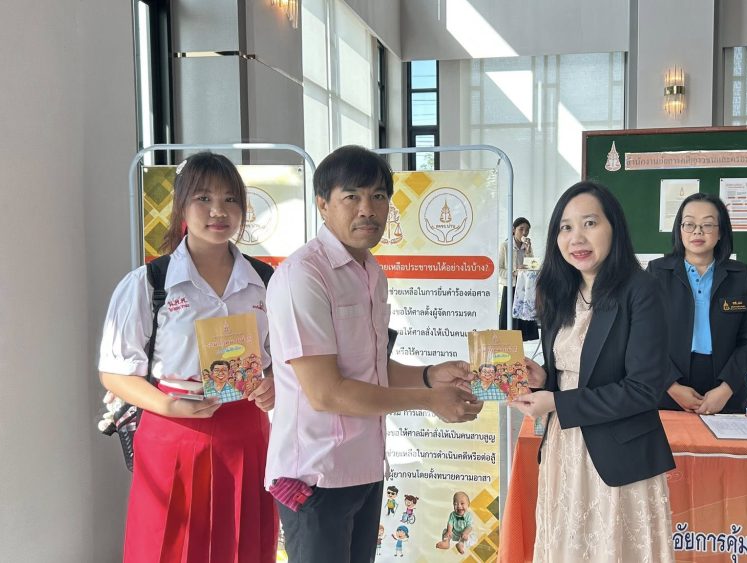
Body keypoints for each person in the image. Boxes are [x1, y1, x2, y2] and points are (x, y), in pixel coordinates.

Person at [265, 145, 483, 562]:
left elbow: (372, 367)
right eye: (352, 196)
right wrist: (428, 399)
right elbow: (326, 392)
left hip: (364, 466)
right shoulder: (303, 276)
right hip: (316, 475)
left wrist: (429, 375)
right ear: (323, 204)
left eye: (378, 196)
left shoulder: (371, 272)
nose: (368, 209)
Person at [97, 152, 278, 562]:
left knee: (245, 545)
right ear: (181, 205)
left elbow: (283, 359)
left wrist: (273, 384)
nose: (218, 211)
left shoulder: (266, 281)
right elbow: (114, 372)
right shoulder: (149, 283)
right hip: (172, 430)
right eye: (203, 198)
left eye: (230, 199)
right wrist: (168, 406)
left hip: (247, 432)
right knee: (168, 547)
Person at [511, 181, 676, 562]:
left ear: (613, 227)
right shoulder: (559, 290)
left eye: (590, 223)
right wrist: (543, 380)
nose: (577, 238)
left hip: (618, 457)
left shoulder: (641, 290)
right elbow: (573, 371)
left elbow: (643, 390)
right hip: (564, 449)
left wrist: (557, 402)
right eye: (566, 227)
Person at [647, 192, 747, 415]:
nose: (697, 231)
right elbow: (644, 337)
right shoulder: (657, 273)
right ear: (679, 230)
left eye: (707, 225)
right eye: (689, 224)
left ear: (721, 232)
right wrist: (672, 386)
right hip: (668, 389)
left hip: (727, 388)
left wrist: (726, 389)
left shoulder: (740, 275)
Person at [498, 217, 540, 340]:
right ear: (513, 230)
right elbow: (498, 270)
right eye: (521, 229)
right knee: (509, 321)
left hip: (525, 288)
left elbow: (533, 266)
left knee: (524, 320)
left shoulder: (527, 246)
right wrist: (515, 272)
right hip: (510, 287)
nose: (524, 233)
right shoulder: (505, 246)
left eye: (527, 230)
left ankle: (522, 344)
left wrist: (528, 251)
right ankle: (508, 345)